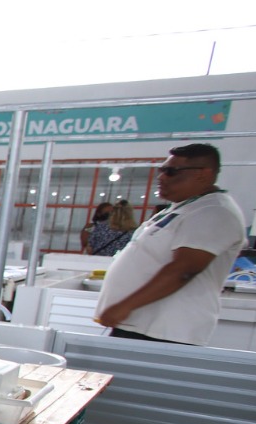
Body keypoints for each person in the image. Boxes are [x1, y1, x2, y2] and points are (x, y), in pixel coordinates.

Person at [95, 143, 247, 345]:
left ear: (203, 173)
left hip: (164, 331)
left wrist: (125, 306)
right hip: (141, 325)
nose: (161, 177)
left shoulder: (215, 212)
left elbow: (183, 269)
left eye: (171, 171)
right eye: (161, 171)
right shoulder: (183, 207)